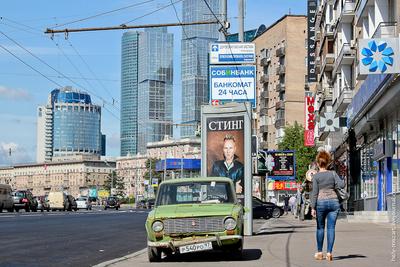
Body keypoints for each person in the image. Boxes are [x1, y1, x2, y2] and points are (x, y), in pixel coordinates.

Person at [311, 150, 345, 261]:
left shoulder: (316, 177)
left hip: (320, 202)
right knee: (331, 228)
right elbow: (342, 184)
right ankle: (329, 253)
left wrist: (312, 207)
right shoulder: (333, 174)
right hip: (334, 202)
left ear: (317, 163)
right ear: (328, 163)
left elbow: (314, 193)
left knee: (320, 228)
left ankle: (320, 253)